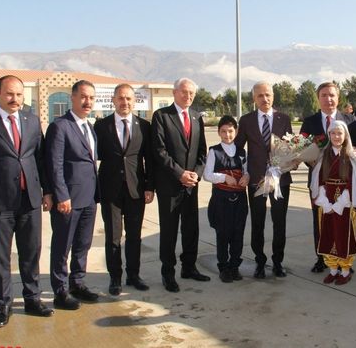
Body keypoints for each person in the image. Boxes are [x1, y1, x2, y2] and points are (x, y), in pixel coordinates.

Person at [0, 75, 54, 328]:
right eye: (10, 94)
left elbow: (40, 158)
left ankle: (33, 299)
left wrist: (47, 192)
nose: (15, 99)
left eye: (19, 95)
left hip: (30, 201)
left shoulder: (32, 120)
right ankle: (3, 307)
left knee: (31, 254)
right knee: (1, 257)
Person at [94, 84, 154, 296]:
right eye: (121, 98)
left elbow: (150, 160)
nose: (125, 102)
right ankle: (115, 277)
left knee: (135, 236)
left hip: (136, 190)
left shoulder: (144, 126)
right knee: (113, 236)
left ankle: (134, 275)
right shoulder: (101, 126)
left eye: (128, 99)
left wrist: (149, 187)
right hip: (110, 191)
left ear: (134, 101)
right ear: (113, 100)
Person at [46, 80, 100, 310]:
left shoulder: (90, 127)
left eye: (91, 98)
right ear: (73, 98)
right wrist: (61, 195)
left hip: (89, 198)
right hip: (68, 199)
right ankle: (60, 291)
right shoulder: (60, 126)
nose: (88, 102)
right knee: (62, 246)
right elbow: (54, 165)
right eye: (83, 97)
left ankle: (77, 283)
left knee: (83, 244)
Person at [152, 77, 209, 293]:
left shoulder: (196, 117)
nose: (188, 96)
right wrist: (179, 174)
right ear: (175, 93)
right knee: (169, 231)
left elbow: (202, 151)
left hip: (191, 185)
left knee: (190, 228)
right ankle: (168, 273)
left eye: (192, 93)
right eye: (184, 92)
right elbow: (159, 150)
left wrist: (196, 174)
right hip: (170, 185)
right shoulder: (162, 116)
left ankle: (189, 267)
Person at [299, 82, 356, 273]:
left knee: (345, 222)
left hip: (346, 184)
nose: (329, 99)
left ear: (338, 98)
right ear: (318, 98)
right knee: (321, 221)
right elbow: (301, 149)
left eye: (332, 95)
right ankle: (322, 259)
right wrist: (311, 162)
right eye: (324, 95)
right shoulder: (309, 122)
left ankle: (345, 259)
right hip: (321, 184)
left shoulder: (351, 120)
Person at [235, 81, 293, 279]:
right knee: (257, 223)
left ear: (273, 96)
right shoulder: (246, 120)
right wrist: (244, 171)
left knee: (280, 223)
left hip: (281, 181)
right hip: (256, 180)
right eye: (260, 95)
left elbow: (291, 147)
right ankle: (259, 262)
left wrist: (292, 161)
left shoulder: (284, 119)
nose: (264, 99)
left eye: (267, 95)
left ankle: (278, 262)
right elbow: (238, 149)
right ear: (254, 98)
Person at [310, 120, 356, 285]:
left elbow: (353, 182)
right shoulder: (323, 155)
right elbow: (319, 180)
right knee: (328, 234)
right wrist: (325, 202)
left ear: (345, 135)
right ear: (329, 135)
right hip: (326, 200)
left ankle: (345, 270)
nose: (336, 136)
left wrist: (341, 202)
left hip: (345, 202)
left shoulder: (351, 156)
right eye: (333, 133)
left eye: (340, 133)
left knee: (344, 235)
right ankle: (333, 269)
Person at [203, 115, 250, 283]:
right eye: (223, 131)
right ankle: (223, 268)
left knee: (238, 233)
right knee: (223, 234)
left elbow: (246, 170)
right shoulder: (214, 151)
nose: (227, 135)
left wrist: (247, 177)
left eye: (230, 131)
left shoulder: (242, 151)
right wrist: (224, 177)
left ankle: (234, 266)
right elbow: (207, 175)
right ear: (218, 132)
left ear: (236, 132)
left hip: (240, 199)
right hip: (221, 199)